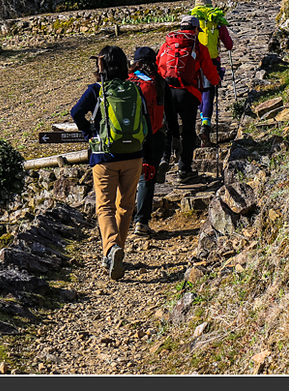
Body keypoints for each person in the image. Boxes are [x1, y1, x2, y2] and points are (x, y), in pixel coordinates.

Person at [70, 45, 149, 281]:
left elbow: (76, 113)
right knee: (126, 205)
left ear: (101, 66)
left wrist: (89, 134)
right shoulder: (135, 89)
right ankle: (117, 250)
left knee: (105, 206)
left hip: (104, 157)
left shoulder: (96, 90)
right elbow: (146, 119)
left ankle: (111, 249)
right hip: (134, 154)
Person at [157, 15, 220, 182]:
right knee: (188, 132)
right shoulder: (198, 46)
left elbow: (158, 65)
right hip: (188, 93)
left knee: (168, 127)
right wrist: (216, 81)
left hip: (168, 91)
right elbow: (208, 69)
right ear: (195, 29)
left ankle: (163, 158)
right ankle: (184, 170)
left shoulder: (167, 44)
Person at [129, 46, 176, 237]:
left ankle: (119, 221)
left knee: (126, 179)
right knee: (146, 178)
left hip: (126, 137)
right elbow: (171, 114)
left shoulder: (126, 81)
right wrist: (175, 139)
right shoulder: (159, 83)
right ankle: (141, 222)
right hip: (154, 136)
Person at [189, 0, 234, 147]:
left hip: (194, 61)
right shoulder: (217, 20)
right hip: (212, 60)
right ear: (211, 5)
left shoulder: (192, 21)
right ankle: (205, 124)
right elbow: (229, 45)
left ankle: (199, 121)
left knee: (198, 92)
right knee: (209, 91)